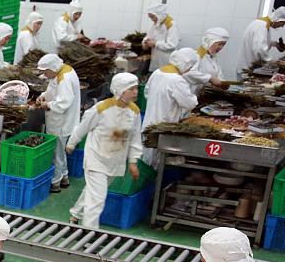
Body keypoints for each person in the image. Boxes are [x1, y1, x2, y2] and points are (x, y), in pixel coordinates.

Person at [66, 73, 143, 228]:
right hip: (96, 159)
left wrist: (133, 160)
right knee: (97, 201)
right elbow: (83, 127)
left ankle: (75, 213)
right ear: (121, 90)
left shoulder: (134, 111)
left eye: (136, 88)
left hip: (115, 161)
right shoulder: (101, 109)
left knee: (94, 191)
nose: (136, 92)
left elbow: (135, 138)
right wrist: (71, 143)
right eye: (132, 89)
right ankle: (89, 236)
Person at [141, 48, 199, 164]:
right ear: (185, 63)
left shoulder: (157, 73)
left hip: (149, 123)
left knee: (146, 159)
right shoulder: (177, 80)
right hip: (164, 127)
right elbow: (189, 103)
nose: (188, 70)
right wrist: (194, 97)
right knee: (156, 161)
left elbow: (147, 93)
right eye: (190, 67)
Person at [37, 53, 81, 192]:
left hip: (62, 122)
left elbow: (64, 102)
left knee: (57, 153)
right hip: (60, 121)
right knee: (60, 152)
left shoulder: (64, 78)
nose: (44, 74)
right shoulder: (62, 70)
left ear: (52, 68)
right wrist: (43, 96)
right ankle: (64, 177)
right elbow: (52, 89)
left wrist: (47, 105)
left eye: (45, 71)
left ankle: (55, 182)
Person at [238, 8, 285, 74]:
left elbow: (258, 42)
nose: (282, 26)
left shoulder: (260, 23)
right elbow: (259, 49)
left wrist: (275, 44)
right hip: (248, 69)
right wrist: (274, 62)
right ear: (278, 20)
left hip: (247, 66)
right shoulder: (262, 26)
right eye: (283, 23)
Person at [186, 27, 230, 93]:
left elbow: (218, 75)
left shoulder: (213, 57)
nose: (221, 47)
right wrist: (210, 78)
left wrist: (222, 83)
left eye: (223, 45)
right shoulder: (197, 56)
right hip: (193, 95)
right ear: (209, 41)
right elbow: (189, 73)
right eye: (219, 44)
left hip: (206, 95)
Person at [143, 4, 179, 72]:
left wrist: (155, 44)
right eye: (150, 17)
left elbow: (172, 44)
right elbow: (148, 36)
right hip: (156, 57)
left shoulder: (171, 24)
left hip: (166, 59)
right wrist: (145, 42)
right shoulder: (156, 24)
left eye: (153, 17)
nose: (152, 20)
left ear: (159, 15)